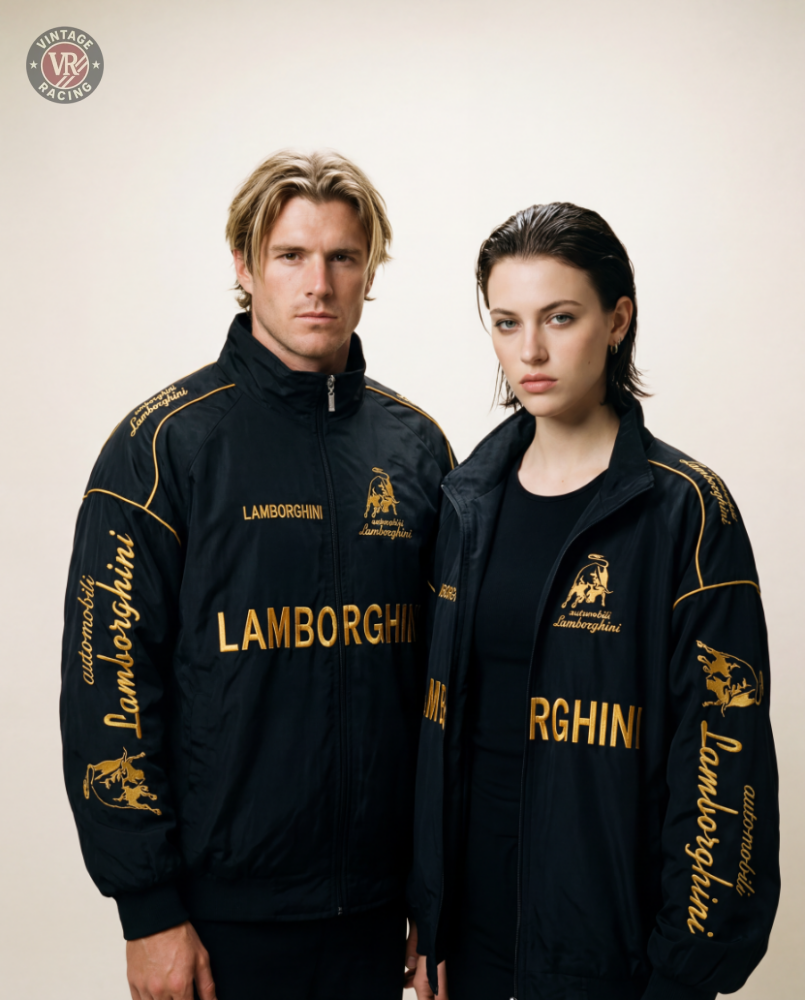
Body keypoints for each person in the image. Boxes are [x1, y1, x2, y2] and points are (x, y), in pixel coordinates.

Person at [60, 149, 454, 1000]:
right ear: (243, 266)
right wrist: (149, 910)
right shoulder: (162, 447)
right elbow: (108, 687)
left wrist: (438, 888)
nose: (319, 283)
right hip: (218, 920)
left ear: (369, 271)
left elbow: (444, 685)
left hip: (378, 914)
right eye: (290, 256)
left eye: (343, 257)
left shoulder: (416, 448)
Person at [406, 203, 779, 1000]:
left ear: (617, 321)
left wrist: (683, 974)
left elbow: (722, 761)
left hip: (613, 961)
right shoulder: (463, 501)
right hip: (470, 948)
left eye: (559, 317)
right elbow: (439, 729)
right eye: (506, 323)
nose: (529, 350)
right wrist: (428, 918)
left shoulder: (685, 511)